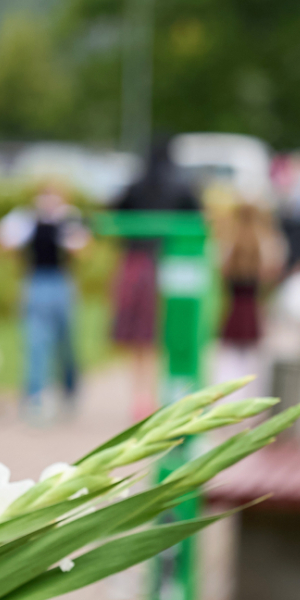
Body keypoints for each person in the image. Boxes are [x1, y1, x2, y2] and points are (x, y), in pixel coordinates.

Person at [110, 139, 200, 421]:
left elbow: (114, 214)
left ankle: (141, 396)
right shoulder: (182, 186)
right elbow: (199, 221)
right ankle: (169, 394)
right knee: (171, 334)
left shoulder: (135, 186)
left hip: (136, 265)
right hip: (172, 265)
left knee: (140, 338)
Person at [0, 183, 91, 423]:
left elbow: (83, 250)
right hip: (36, 282)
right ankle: (35, 396)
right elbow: (3, 242)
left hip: (61, 283)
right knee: (36, 342)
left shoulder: (70, 219)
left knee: (66, 342)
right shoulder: (25, 219)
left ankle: (69, 390)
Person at [216, 202, 284, 399]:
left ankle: (228, 398)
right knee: (252, 358)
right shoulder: (264, 241)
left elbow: (222, 270)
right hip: (252, 305)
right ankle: (249, 397)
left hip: (234, 304)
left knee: (230, 357)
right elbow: (270, 273)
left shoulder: (229, 241)